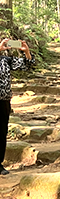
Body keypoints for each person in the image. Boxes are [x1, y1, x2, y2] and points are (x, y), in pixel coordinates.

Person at [0, 39, 35, 176]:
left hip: (3, 100)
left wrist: (26, 51)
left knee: (1, 133)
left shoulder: (5, 60)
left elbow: (27, 65)